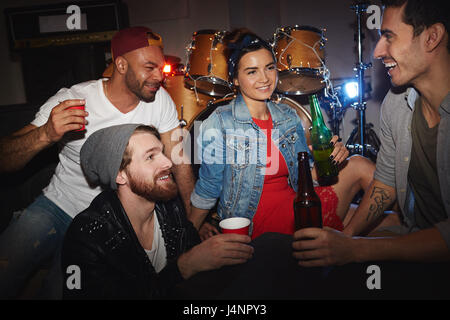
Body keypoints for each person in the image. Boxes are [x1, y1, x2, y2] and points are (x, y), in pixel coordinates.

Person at [0, 26, 194, 299]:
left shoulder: (160, 101)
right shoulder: (74, 99)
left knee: (62, 291)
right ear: (121, 64)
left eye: (159, 68)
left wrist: (192, 220)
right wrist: (46, 133)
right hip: (59, 206)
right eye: (149, 68)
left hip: (108, 224)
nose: (158, 77)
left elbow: (179, 158)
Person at [292, 0, 449, 269]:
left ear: (431, 37)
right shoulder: (397, 103)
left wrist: (356, 250)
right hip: (413, 237)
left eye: (388, 37)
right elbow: (386, 182)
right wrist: (344, 240)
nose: (377, 51)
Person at [188, 29, 376, 240]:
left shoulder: (287, 116)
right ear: (236, 79)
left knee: (386, 213)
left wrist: (332, 160)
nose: (265, 78)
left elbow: (305, 179)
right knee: (362, 175)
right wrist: (189, 239)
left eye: (269, 68)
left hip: (299, 210)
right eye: (252, 72)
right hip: (256, 229)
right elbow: (208, 189)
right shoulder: (219, 122)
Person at [62, 124, 253, 299]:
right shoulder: (87, 236)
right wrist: (184, 267)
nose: (168, 163)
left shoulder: (169, 205)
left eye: (162, 152)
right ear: (119, 175)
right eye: (150, 157)